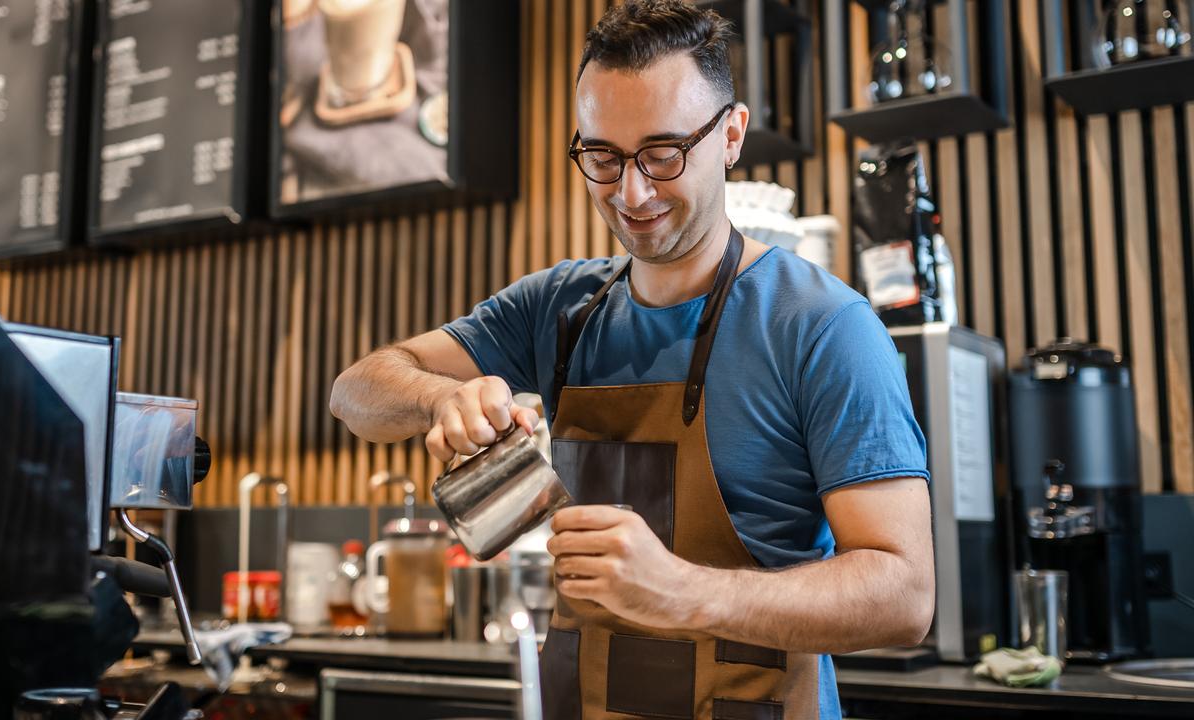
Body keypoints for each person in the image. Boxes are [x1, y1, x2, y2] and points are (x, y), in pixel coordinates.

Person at [330, 2, 934, 717]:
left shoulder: (822, 327)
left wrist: (684, 591)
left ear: (731, 136)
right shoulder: (557, 307)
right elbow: (356, 392)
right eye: (603, 157)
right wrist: (439, 399)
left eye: (663, 153)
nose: (632, 192)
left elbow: (904, 595)